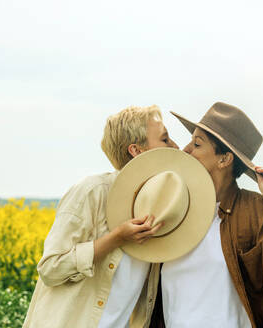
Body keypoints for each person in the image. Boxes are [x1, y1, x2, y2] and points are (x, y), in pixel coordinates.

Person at [156, 102, 263, 328]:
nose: (186, 150)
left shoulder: (253, 210)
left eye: (197, 144)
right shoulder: (172, 204)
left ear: (224, 159)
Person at [23, 105, 178, 328]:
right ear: (137, 150)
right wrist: (116, 238)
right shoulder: (91, 192)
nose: (174, 146)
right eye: (165, 140)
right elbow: (50, 268)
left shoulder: (161, 208)